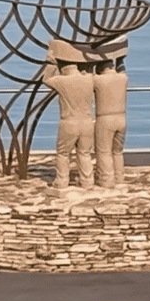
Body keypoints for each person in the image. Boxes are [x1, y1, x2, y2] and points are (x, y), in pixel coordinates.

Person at [42, 42, 95, 190]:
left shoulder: (62, 81)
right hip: (87, 122)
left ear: (63, 67)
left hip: (69, 122)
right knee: (84, 153)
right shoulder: (89, 79)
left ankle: (62, 181)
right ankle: (87, 181)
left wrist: (51, 63)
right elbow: (90, 70)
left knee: (63, 154)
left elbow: (46, 80)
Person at [93, 55, 128, 187]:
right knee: (117, 152)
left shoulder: (98, 80)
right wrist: (120, 58)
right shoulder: (123, 78)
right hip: (121, 118)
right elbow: (122, 68)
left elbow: (87, 74)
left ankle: (106, 180)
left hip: (105, 118)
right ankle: (119, 177)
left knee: (104, 152)